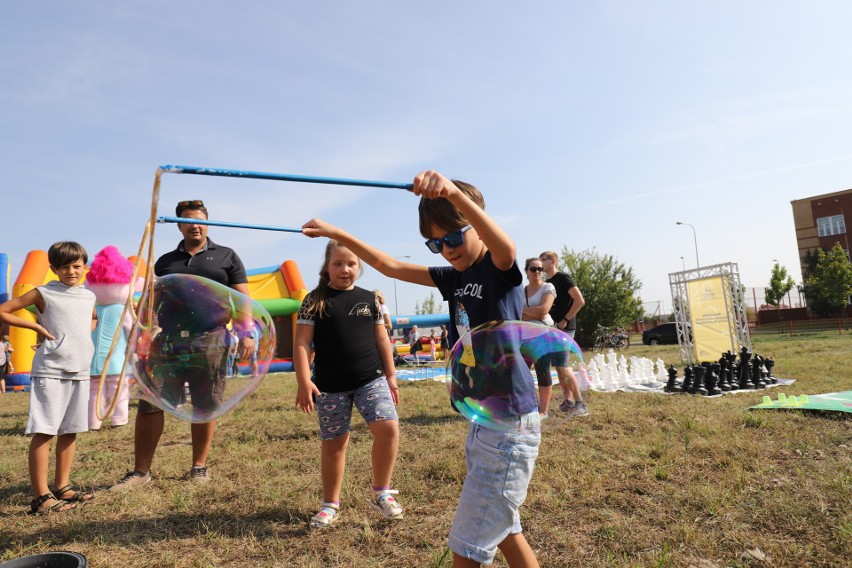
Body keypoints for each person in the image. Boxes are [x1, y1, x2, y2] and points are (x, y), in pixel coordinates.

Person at [302, 170, 541, 567]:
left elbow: (505, 245)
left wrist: (451, 193)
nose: (446, 249)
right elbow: (389, 266)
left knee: (467, 544)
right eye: (434, 243)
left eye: (453, 236)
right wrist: (337, 234)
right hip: (485, 420)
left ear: (475, 221)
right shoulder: (454, 278)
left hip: (510, 423)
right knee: (504, 529)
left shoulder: (498, 270)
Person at [110, 199, 255, 490]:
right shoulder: (164, 261)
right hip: (169, 341)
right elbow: (153, 302)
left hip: (212, 339)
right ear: (179, 225)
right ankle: (141, 472)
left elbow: (242, 299)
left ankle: (199, 467)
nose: (195, 226)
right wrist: (144, 327)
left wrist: (246, 332)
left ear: (208, 223)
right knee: (151, 403)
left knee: (206, 403)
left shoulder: (227, 257)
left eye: (200, 220)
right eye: (188, 221)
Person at [294, 240, 402, 528]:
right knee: (334, 443)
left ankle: (382, 492)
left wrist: (391, 376)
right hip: (329, 386)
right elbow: (302, 344)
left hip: (371, 379)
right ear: (327, 266)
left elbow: (382, 340)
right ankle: (330, 504)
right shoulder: (313, 301)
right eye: (338, 263)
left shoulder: (371, 300)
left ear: (360, 266)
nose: (345, 269)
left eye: (351, 263)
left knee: (389, 428)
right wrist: (303, 380)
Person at [0, 242, 97, 514]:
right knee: (45, 431)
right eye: (64, 266)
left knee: (70, 430)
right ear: (53, 269)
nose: (71, 271)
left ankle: (62, 486)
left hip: (80, 369)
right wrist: (35, 325)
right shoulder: (43, 293)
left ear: (84, 268)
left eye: (77, 266)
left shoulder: (88, 296)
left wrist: (83, 337)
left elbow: (92, 318)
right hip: (51, 371)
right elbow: (4, 309)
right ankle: (41, 497)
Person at [85, 246, 136, 430]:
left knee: (93, 391)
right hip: (116, 359)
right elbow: (131, 332)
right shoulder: (123, 310)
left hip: (93, 360)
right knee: (119, 389)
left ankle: (93, 422)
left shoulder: (92, 310)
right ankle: (119, 419)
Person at [539, 250, 588, 417]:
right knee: (559, 367)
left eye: (543, 260)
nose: (540, 263)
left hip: (564, 328)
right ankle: (568, 401)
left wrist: (565, 320)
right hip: (552, 329)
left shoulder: (563, 278)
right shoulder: (548, 282)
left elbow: (579, 300)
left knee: (563, 366)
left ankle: (580, 404)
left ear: (552, 261)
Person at [520, 257, 557, 416]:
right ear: (526, 271)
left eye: (540, 269)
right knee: (521, 372)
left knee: (542, 371)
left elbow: (544, 310)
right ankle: (527, 406)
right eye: (533, 269)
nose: (537, 272)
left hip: (543, 335)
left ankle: (543, 411)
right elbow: (515, 314)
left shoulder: (548, 287)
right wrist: (532, 313)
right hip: (523, 337)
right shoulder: (521, 290)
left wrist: (524, 311)